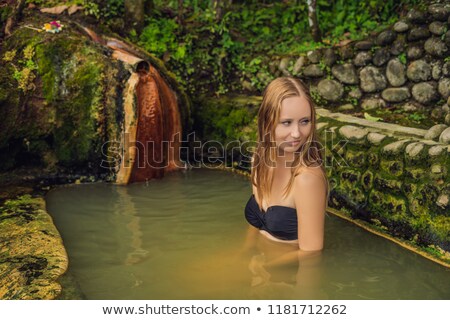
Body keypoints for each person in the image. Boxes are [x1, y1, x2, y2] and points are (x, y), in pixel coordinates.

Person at [243, 76, 328, 274]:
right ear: (267, 123)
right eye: (286, 122)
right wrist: (243, 254)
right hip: (258, 272)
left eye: (304, 121)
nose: (297, 133)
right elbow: (256, 225)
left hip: (287, 277)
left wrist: (263, 268)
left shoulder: (307, 179)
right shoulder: (259, 160)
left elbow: (311, 253)